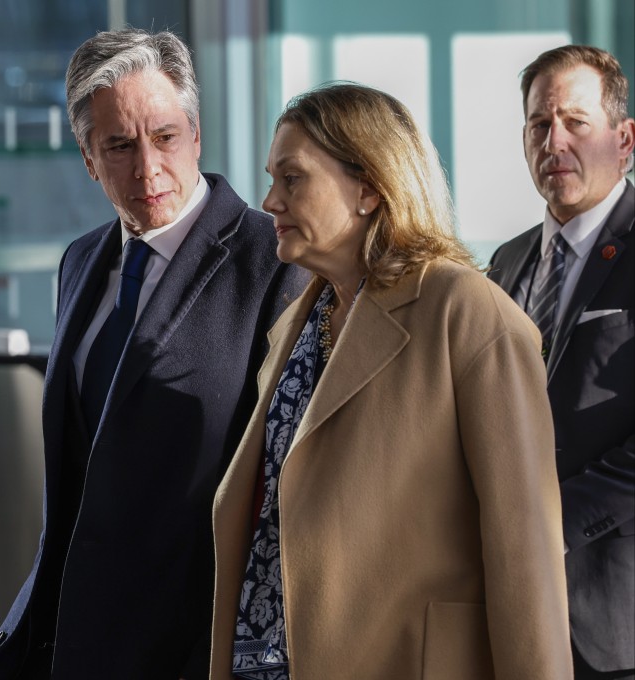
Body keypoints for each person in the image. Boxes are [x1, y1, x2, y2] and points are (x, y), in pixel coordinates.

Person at [0, 28, 309, 680]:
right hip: (64, 633)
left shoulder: (273, 261)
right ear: (88, 158)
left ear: (197, 133)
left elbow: (284, 491)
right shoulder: (80, 261)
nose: (147, 168)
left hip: (188, 640)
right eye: (119, 147)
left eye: (165, 137)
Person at [209, 83, 574, 679]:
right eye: (272, 178)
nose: (269, 201)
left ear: (369, 188)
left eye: (292, 179)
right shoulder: (293, 330)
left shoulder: (467, 313)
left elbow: (526, 554)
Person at [488, 44, 634, 680]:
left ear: (624, 139)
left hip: (614, 618)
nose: (555, 141)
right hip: (512, 614)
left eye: (576, 122)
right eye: (539, 125)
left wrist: (545, 526)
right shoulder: (506, 262)